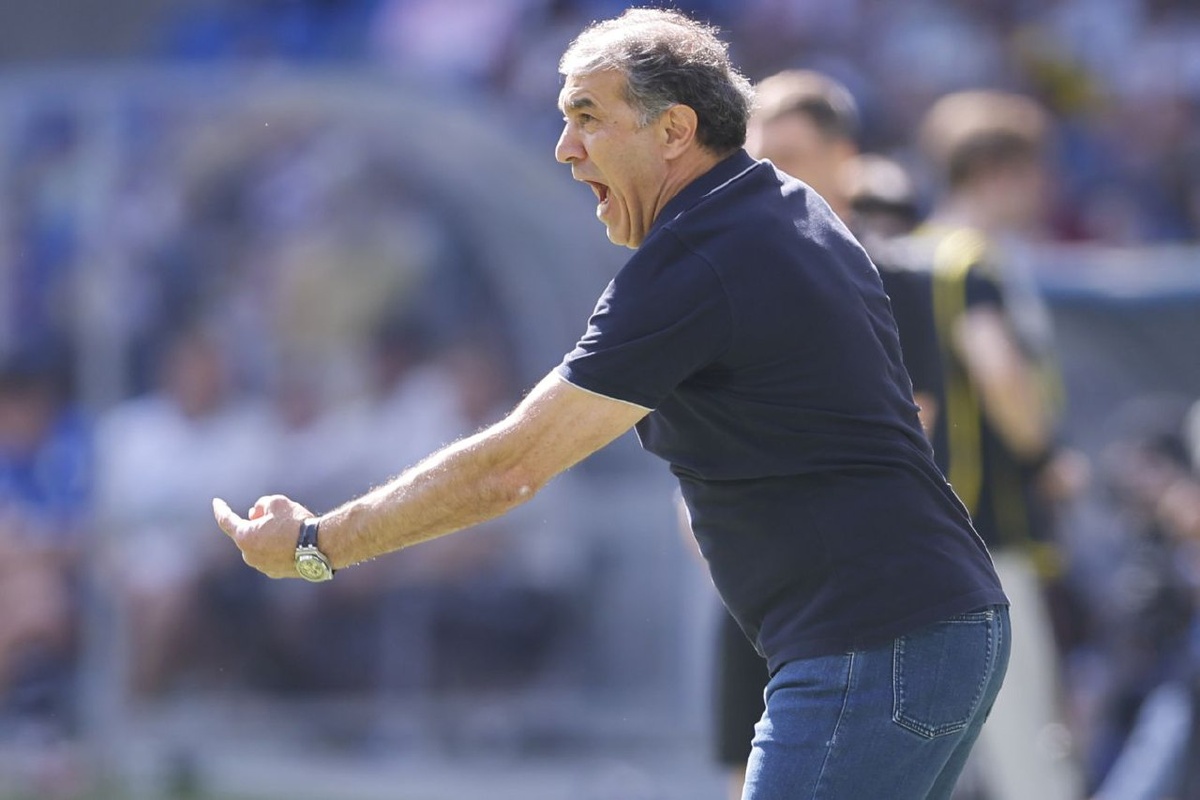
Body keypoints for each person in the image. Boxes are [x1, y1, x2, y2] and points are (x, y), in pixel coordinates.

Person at [214, 9, 1009, 798]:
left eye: (589, 117)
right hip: (921, 628)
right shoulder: (779, 209)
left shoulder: (700, 255)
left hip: (873, 642)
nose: (565, 148)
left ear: (675, 131)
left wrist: (319, 544)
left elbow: (511, 468)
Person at [905, 89, 1091, 800]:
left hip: (920, 537)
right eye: (1035, 169)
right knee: (1029, 756)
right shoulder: (970, 262)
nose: (1045, 187)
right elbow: (999, 370)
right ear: (996, 170)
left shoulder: (905, 254)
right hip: (989, 538)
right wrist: (1045, 458)